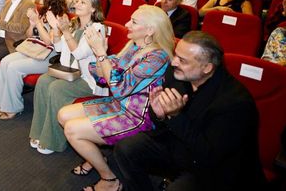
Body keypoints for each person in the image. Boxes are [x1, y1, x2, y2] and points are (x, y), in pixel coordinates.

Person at [108, 31, 266, 190]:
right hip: (180, 147)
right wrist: (159, 115)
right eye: (176, 55)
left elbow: (208, 154)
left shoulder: (235, 104)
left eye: (182, 60)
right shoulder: (177, 74)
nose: (174, 62)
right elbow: (164, 126)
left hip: (213, 168)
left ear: (207, 68)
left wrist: (176, 116)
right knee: (127, 148)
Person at [58, 5, 175, 191]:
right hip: (118, 105)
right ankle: (97, 157)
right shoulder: (135, 46)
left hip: (136, 117)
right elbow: (104, 77)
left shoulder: (158, 57)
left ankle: (109, 179)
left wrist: (101, 54)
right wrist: (103, 58)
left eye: (134, 22)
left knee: (72, 130)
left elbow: (119, 87)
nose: (127, 24)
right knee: (63, 115)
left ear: (151, 29)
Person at [29, 0, 105, 155]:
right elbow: (58, 48)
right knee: (43, 81)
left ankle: (53, 140)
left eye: (83, 3)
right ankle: (39, 131)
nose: (77, 4)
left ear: (93, 9)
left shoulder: (97, 29)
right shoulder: (72, 23)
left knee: (57, 88)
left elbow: (78, 54)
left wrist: (65, 32)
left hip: (88, 79)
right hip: (68, 71)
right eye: (77, 1)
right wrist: (57, 31)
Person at [0, 0, 68, 119]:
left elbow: (49, 43)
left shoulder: (60, 16)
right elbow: (29, 36)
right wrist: (33, 24)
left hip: (49, 57)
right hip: (35, 49)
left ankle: (14, 107)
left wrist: (38, 23)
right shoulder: (44, 11)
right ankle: (2, 103)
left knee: (14, 68)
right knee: (5, 61)